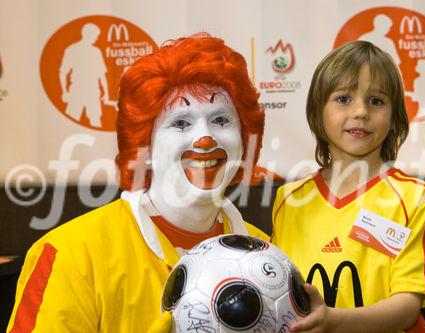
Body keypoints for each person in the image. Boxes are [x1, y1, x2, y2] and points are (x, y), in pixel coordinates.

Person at [8, 33, 268, 332]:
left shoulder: (264, 254)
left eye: (221, 120)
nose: (204, 138)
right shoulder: (71, 255)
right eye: (181, 122)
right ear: (145, 144)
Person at [272, 40, 425, 333]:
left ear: (394, 118)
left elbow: (407, 307)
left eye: (376, 101)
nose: (361, 112)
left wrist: (334, 321)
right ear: (317, 111)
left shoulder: (412, 197)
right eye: (343, 99)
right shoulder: (288, 199)